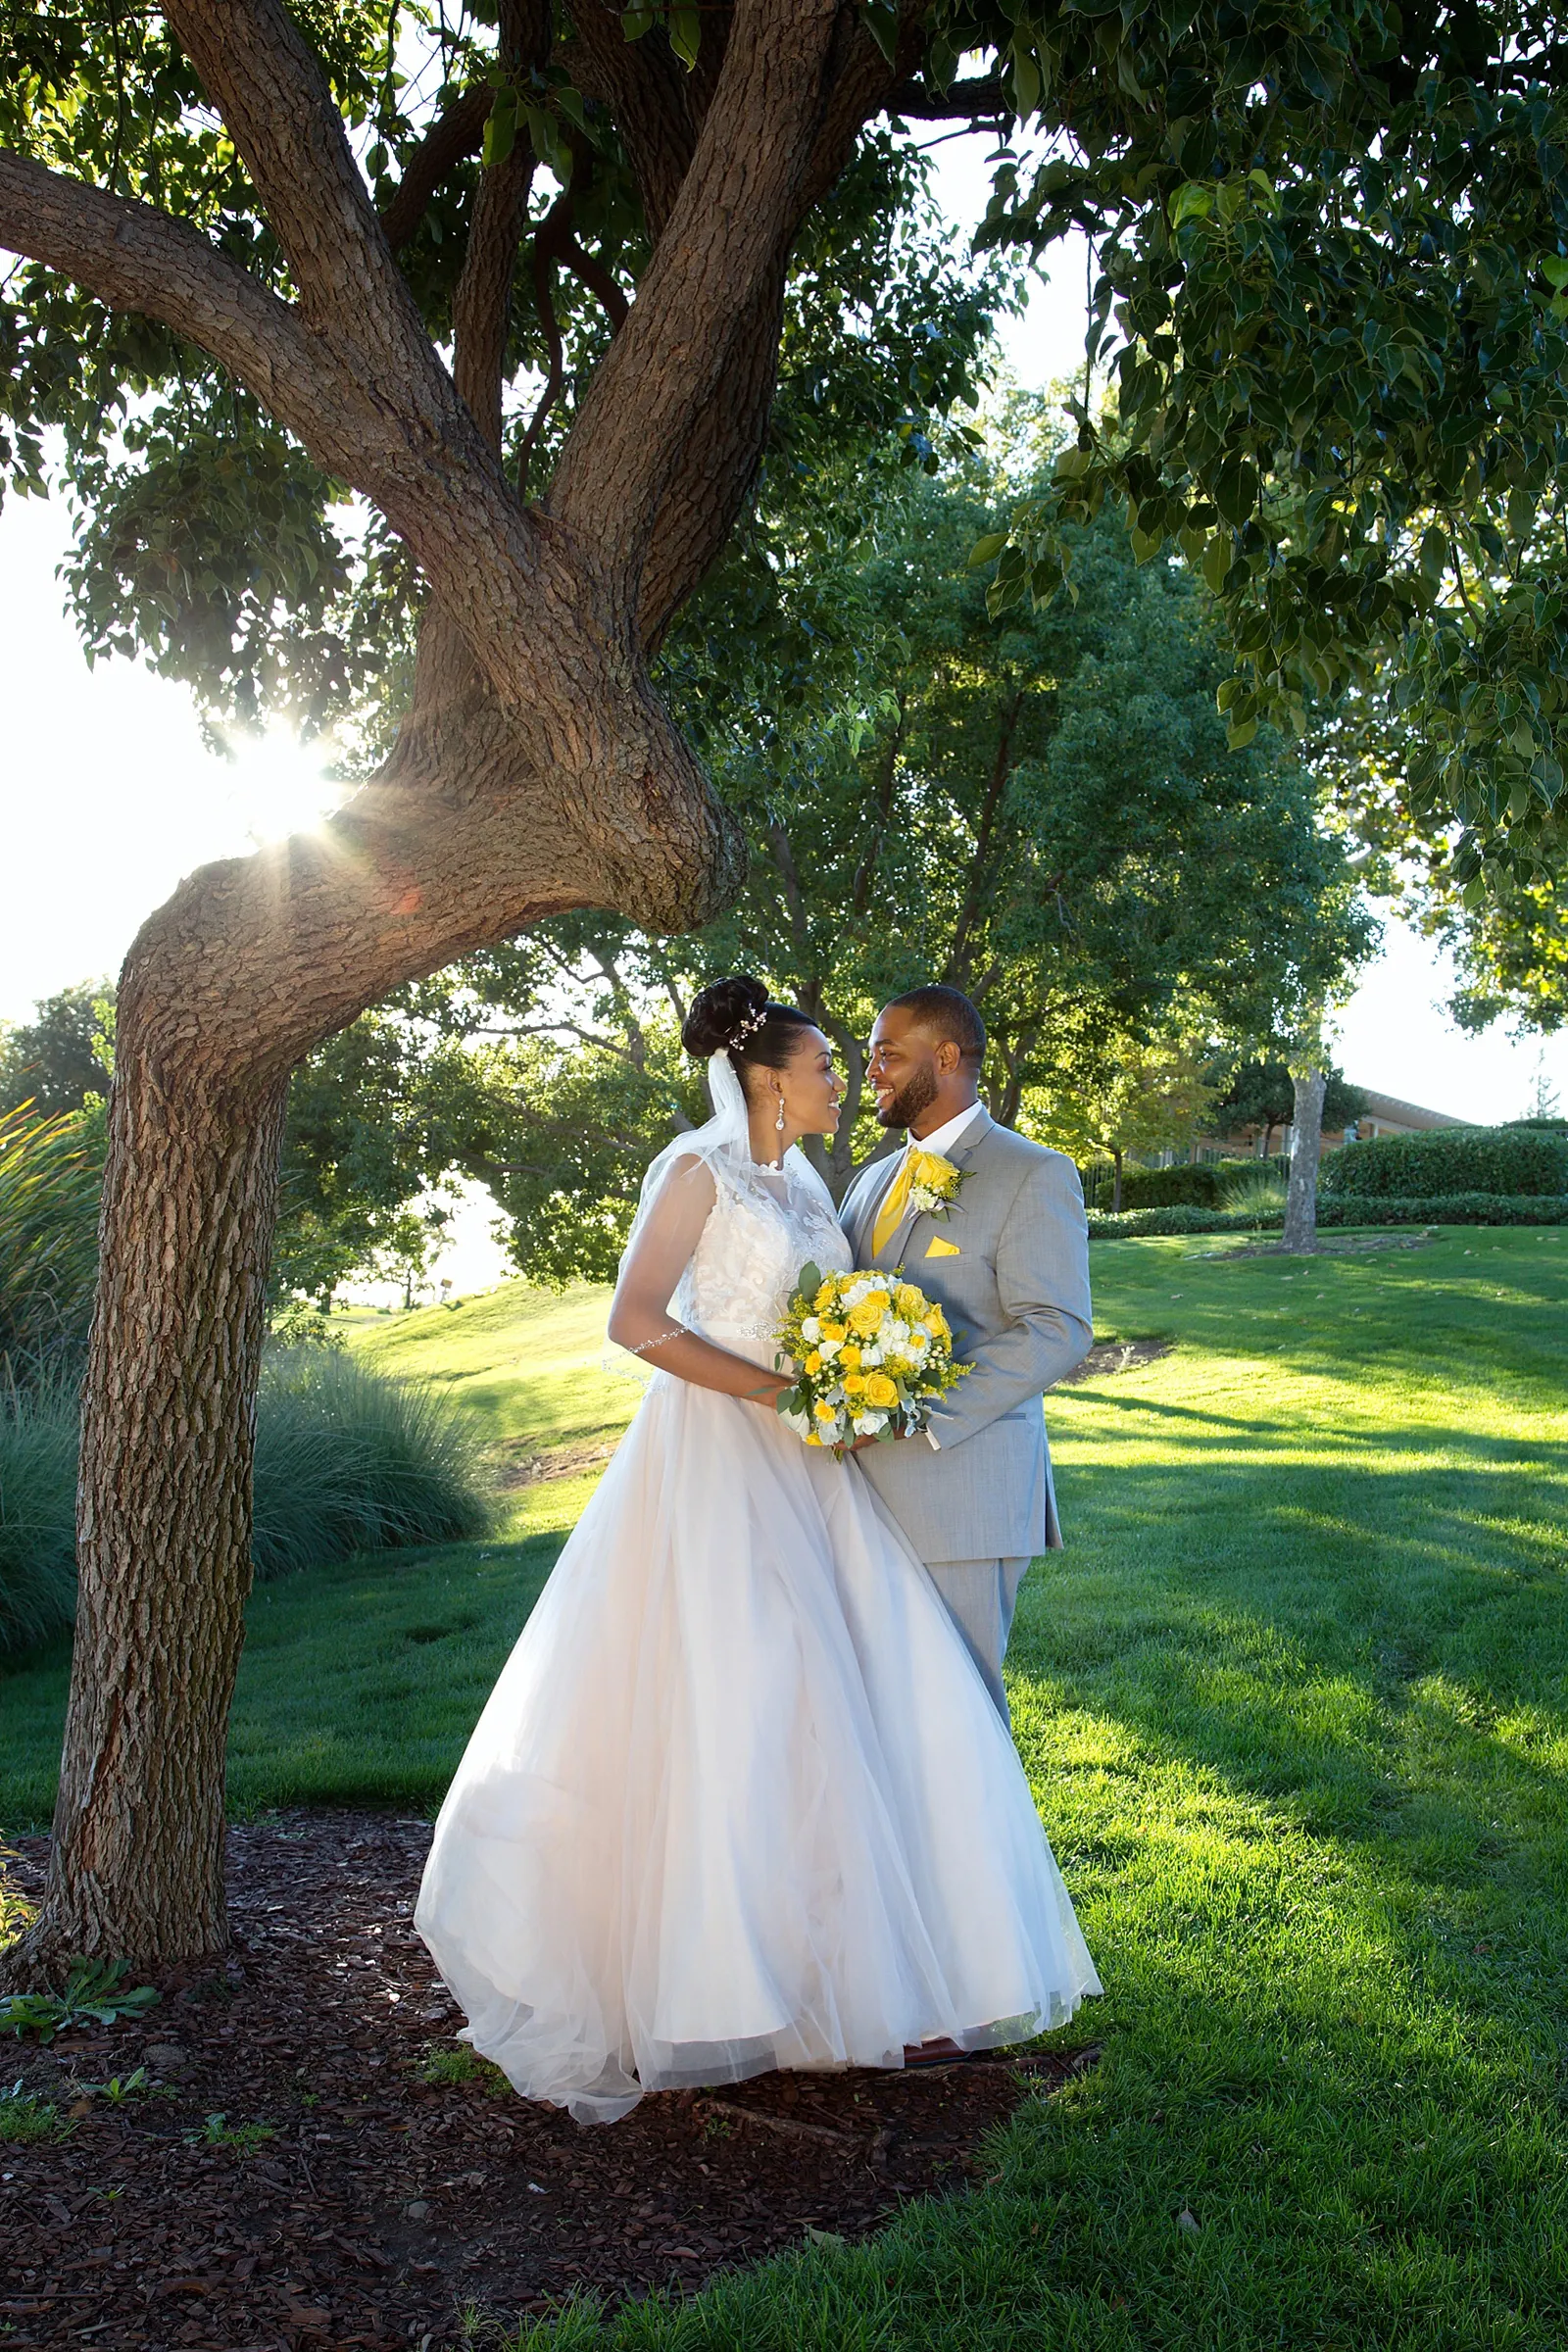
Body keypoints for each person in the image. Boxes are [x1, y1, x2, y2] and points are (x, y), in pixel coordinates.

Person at [416, 974, 1100, 2124]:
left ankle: (881, 1967)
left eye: (869, 1058)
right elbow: (638, 1321)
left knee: (869, 1722)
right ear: (769, 1076)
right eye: (834, 1062)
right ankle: (737, 1980)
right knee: (736, 1708)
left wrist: (857, 1396)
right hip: (730, 1460)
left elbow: (1028, 1328)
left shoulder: (824, 1180)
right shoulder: (711, 1169)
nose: (849, 1076)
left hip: (843, 1474)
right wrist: (791, 1390)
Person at [840, 987, 1093, 1722]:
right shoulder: (868, 1184)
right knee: (878, 1714)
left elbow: (1057, 1328)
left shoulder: (1032, 1172)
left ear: (945, 1058)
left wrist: (913, 1413)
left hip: (964, 1496)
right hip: (855, 1502)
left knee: (959, 1722)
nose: (871, 1072)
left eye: (888, 1054)